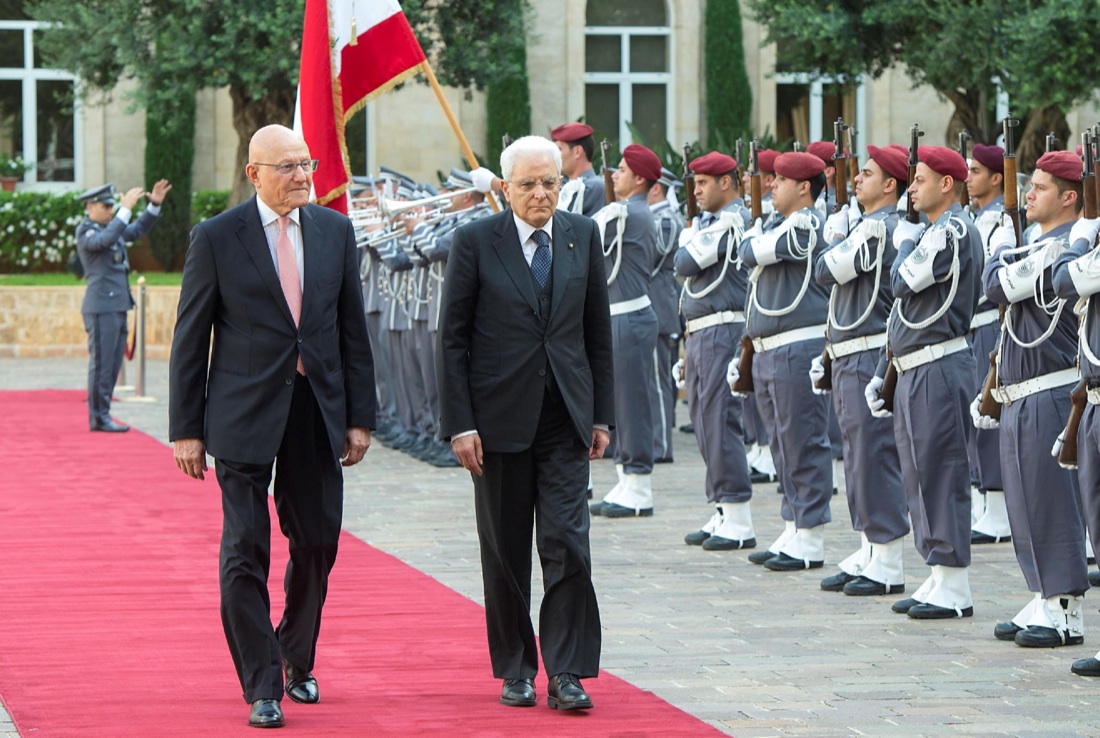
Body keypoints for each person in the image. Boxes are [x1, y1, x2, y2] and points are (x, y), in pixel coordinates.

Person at [168, 125, 376, 729]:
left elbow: (352, 333)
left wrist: (360, 417)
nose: (301, 176)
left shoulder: (335, 231)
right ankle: (261, 682)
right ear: (254, 174)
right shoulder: (216, 237)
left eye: (305, 164)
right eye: (286, 167)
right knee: (245, 549)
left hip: (316, 409)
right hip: (241, 414)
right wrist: (187, 427)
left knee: (317, 541)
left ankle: (296, 653)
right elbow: (190, 338)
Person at [437, 135, 614, 710]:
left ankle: (568, 670)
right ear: (505, 188)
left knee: (568, 542)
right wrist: (460, 423)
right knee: (505, 548)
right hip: (496, 424)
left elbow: (596, 335)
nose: (541, 194)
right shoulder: (474, 242)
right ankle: (516, 665)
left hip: (565, 419)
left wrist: (602, 415)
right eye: (529, 184)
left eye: (550, 183)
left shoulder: (580, 236)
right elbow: (453, 340)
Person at [866, 145, 981, 619]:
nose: (911, 188)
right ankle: (937, 573)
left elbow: (901, 282)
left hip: (939, 365)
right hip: (915, 365)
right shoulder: (935, 230)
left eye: (920, 180)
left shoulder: (953, 229)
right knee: (918, 472)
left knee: (941, 471)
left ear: (947, 185)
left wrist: (907, 242)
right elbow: (903, 313)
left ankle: (955, 584)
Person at [979, 150, 1086, 648]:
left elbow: (1003, 285)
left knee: (1049, 501)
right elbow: (990, 284)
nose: (1029, 192)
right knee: (1023, 500)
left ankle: (1066, 609)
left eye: (1041, 187)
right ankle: (1042, 593)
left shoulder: (1070, 246)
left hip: (1051, 387)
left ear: (1069, 196)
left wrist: (1008, 268)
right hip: (1020, 390)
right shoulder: (1036, 246)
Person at [813, 145, 909, 596]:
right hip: (850, 346)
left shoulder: (880, 227)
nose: (856, 179)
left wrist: (836, 239)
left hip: (869, 347)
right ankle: (871, 546)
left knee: (872, 453)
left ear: (890, 184)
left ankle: (887, 556)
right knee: (856, 454)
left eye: (867, 174)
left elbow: (825, 271)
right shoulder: (867, 225)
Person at [738, 151, 833, 571]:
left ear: (805, 187)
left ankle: (811, 533)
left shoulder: (808, 223)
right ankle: (793, 523)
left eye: (780, 179)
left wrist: (757, 240)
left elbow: (752, 251)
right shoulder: (780, 223)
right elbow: (750, 248)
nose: (771, 185)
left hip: (797, 344)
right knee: (780, 441)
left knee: (803, 440)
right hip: (770, 347)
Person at [672, 151, 756, 550]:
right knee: (703, 421)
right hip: (703, 331)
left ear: (727, 181)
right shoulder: (711, 222)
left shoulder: (732, 221)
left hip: (724, 328)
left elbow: (684, 262)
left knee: (720, 420)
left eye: (704, 182)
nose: (697, 190)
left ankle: (738, 514)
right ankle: (722, 506)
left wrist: (689, 235)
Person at [588, 144, 661, 518]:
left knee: (631, 403)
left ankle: (638, 483)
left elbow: (580, 235)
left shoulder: (627, 212)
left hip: (628, 316)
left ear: (639, 178)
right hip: (620, 316)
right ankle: (625, 479)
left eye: (621, 170)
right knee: (618, 402)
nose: (614, 175)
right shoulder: (628, 212)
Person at [76, 179, 171, 432]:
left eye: (111, 207)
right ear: (90, 207)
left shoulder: (110, 228)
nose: (110, 211)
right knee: (102, 364)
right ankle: (98, 416)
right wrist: (124, 209)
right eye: (105, 207)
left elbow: (136, 230)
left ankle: (103, 414)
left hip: (116, 305)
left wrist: (153, 206)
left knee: (113, 363)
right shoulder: (87, 231)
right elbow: (104, 241)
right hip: (101, 307)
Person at [966, 143, 1010, 543]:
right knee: (975, 416)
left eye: (976, 170)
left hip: (987, 325)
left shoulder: (999, 221)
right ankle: (984, 501)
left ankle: (997, 509)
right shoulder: (976, 217)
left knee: (988, 413)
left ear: (998, 177)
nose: (968, 176)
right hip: (971, 327)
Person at [648, 167, 685, 464]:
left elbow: (650, 257)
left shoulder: (665, 220)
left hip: (657, 309)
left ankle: (660, 445)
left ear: (656, 188)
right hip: (651, 308)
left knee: (659, 383)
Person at [551, 122, 606, 216]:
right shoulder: (565, 184)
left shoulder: (594, 186)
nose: (554, 156)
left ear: (577, 152)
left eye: (559, 149)